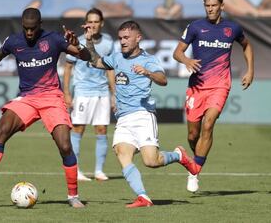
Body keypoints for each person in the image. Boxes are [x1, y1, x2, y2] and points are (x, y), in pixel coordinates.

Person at [0, 7, 91, 208]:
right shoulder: (14, 41)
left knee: (65, 146)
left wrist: (79, 45)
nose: (29, 33)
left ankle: (73, 196)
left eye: (32, 29)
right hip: (27, 98)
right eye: (26, 29)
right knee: (0, 131)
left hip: (52, 98)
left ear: (40, 25)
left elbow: (85, 57)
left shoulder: (53, 39)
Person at [83, 20, 196, 208]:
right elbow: (95, 61)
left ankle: (179, 155)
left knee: (151, 161)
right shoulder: (117, 57)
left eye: (127, 38)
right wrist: (89, 42)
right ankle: (143, 197)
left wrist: (148, 73)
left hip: (143, 115)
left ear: (138, 38)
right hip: (123, 118)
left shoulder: (148, 60)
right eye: (120, 38)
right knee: (122, 153)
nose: (123, 41)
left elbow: (163, 79)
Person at [173, 0, 254, 193]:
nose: (210, 9)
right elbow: (177, 53)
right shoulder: (195, 27)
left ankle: (194, 171)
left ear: (222, 6)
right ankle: (196, 159)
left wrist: (250, 70)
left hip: (220, 85)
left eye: (213, 6)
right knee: (193, 135)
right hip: (197, 87)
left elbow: (246, 45)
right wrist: (187, 60)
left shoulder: (232, 28)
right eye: (207, 6)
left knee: (208, 124)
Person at [63, 8, 115, 181]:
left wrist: (114, 94)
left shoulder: (108, 42)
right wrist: (66, 93)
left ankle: (99, 171)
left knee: (101, 130)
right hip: (83, 91)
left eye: (96, 21)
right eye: (90, 21)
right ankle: (76, 171)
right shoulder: (77, 41)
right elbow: (68, 68)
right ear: (85, 24)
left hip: (102, 91)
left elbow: (110, 69)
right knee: (78, 129)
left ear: (102, 23)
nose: (93, 25)